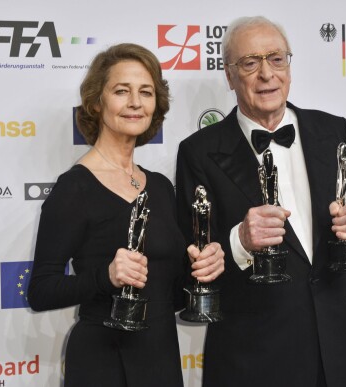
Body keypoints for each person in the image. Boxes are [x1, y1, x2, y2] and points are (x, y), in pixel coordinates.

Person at [175, 16, 346, 387]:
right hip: (253, 359)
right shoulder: (199, 152)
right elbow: (189, 264)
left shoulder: (333, 130)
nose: (266, 74)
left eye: (276, 58)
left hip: (337, 352)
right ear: (229, 76)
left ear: (289, 65)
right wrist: (240, 241)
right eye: (250, 63)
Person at [28, 43, 224, 387]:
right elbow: (41, 292)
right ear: (96, 102)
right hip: (101, 363)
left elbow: (171, 294)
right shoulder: (74, 187)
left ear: (156, 105)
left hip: (161, 359)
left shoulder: (161, 187)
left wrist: (201, 271)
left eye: (146, 92)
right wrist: (106, 276)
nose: (135, 102)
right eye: (122, 91)